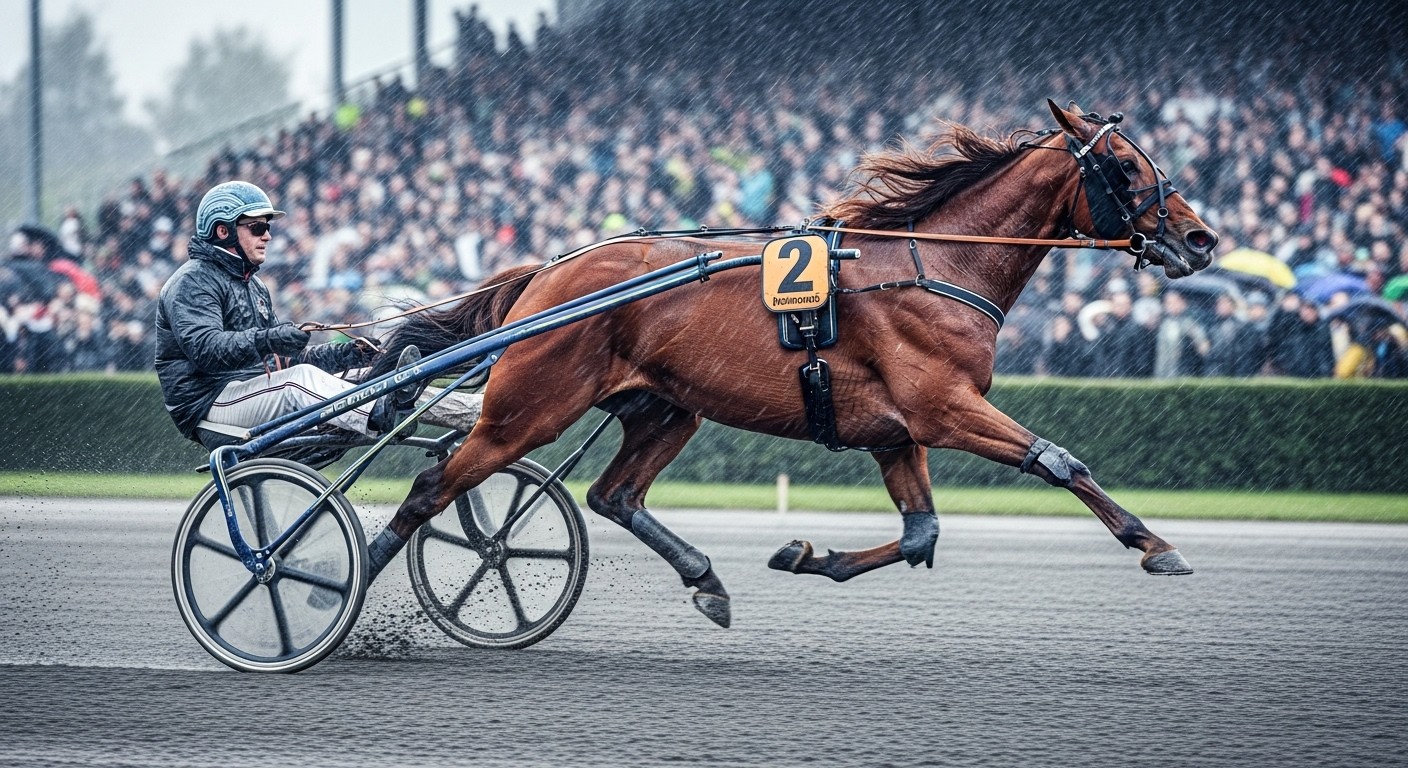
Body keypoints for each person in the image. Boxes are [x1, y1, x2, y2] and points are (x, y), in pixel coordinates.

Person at [154, 181, 476, 445]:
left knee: (369, 378)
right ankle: (377, 415)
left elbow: (285, 361)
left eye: (267, 227)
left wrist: (349, 355)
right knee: (299, 382)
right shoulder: (191, 282)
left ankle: (470, 414)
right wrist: (270, 339)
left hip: (252, 392)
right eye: (256, 227)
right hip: (208, 404)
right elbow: (206, 350)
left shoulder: (255, 286)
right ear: (222, 231)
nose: (267, 235)